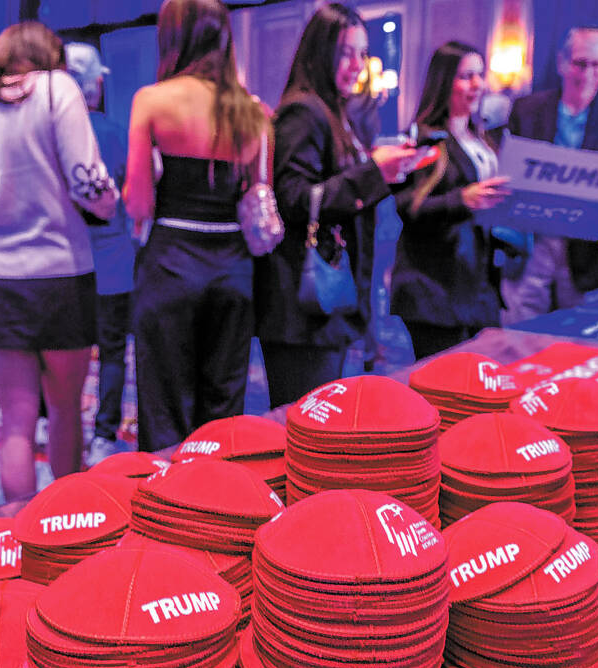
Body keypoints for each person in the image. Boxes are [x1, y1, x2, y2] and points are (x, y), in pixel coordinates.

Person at [0, 22, 116, 501]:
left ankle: (19, 530)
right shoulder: (57, 88)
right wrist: (109, 204)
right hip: (57, 272)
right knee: (66, 409)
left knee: (15, 420)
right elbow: (87, 180)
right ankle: (68, 526)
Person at [254, 3, 417, 408]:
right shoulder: (304, 111)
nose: (357, 65)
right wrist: (374, 172)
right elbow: (293, 198)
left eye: (362, 53)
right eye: (346, 53)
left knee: (320, 419)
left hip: (324, 304)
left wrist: (382, 170)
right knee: (305, 422)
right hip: (302, 307)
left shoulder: (334, 112)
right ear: (319, 53)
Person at [124, 0, 268, 452]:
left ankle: (169, 494)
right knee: (223, 410)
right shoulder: (253, 112)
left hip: (171, 265)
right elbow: (258, 196)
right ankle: (218, 491)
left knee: (164, 409)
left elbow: (138, 204)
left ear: (171, 35)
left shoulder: (152, 101)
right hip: (234, 271)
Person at [500, 25, 598, 323]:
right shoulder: (527, 110)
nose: (588, 74)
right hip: (532, 244)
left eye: (597, 65)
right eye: (581, 63)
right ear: (562, 62)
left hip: (587, 251)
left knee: (582, 331)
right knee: (519, 329)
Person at [391, 41, 511, 359]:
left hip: (479, 288)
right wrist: (462, 199)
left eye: (480, 75)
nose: (477, 84)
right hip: (435, 292)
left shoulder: (484, 139)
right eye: (466, 76)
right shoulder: (423, 138)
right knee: (445, 382)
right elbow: (408, 207)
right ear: (444, 81)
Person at [65, 42, 135, 468]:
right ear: (97, 84)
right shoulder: (114, 133)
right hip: (112, 263)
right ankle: (104, 435)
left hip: (63, 263)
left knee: (61, 354)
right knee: (112, 353)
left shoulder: (51, 133)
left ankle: (56, 424)